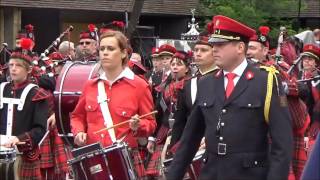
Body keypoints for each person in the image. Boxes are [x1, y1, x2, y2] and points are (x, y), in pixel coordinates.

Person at [167, 15, 293, 180]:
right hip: (212, 173)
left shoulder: (266, 80)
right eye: (213, 45)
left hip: (250, 174)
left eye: (220, 45)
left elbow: (282, 144)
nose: (214, 49)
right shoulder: (206, 82)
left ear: (240, 47)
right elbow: (190, 138)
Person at [71, 30, 156, 178]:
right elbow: (77, 116)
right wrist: (78, 133)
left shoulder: (139, 86)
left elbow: (151, 123)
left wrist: (139, 126)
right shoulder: (90, 86)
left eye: (110, 49)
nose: (105, 53)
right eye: (102, 49)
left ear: (123, 53)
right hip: (94, 159)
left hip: (125, 159)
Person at [248, 26, 311, 180]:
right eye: (247, 48)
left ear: (264, 51)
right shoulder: (243, 71)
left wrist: (285, 89)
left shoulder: (277, 69)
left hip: (273, 132)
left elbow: (299, 90)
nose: (248, 52)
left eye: (252, 48)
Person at [0, 39, 49, 179]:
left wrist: (18, 138)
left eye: (18, 66)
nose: (13, 68)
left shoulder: (37, 94)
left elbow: (40, 129)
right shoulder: (1, 89)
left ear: (28, 70)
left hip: (24, 156)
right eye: (11, 65)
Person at [169, 30, 219, 152]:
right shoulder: (188, 84)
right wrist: (172, 149)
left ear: (215, 53)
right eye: (196, 50)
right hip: (191, 146)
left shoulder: (224, 80)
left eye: (204, 50)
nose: (198, 53)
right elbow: (180, 121)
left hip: (216, 146)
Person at [145, 50, 191, 178]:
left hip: (182, 135)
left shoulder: (191, 85)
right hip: (163, 132)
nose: (175, 67)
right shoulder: (164, 86)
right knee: (158, 175)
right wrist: (152, 138)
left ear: (187, 69)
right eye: (173, 64)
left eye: (179, 64)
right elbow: (158, 113)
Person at [299, 44, 320, 138]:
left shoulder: (318, 78)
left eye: (310, 59)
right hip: (298, 120)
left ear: (316, 63)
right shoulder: (296, 76)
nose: (306, 61)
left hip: (314, 122)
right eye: (304, 58)